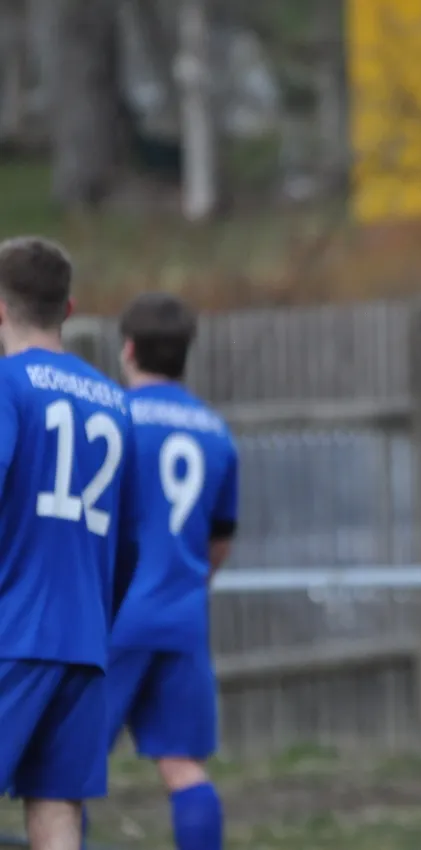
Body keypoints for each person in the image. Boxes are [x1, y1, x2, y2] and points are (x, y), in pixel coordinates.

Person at [89, 293, 238, 850]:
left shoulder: (112, 418)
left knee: (66, 774)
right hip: (182, 617)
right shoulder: (214, 430)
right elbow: (219, 541)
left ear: (127, 349)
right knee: (183, 767)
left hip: (113, 617)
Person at [0, 237, 134, 850]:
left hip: (13, 633)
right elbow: (130, 542)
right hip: (84, 642)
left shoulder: (8, 385)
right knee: (57, 815)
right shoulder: (114, 400)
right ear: (69, 308)